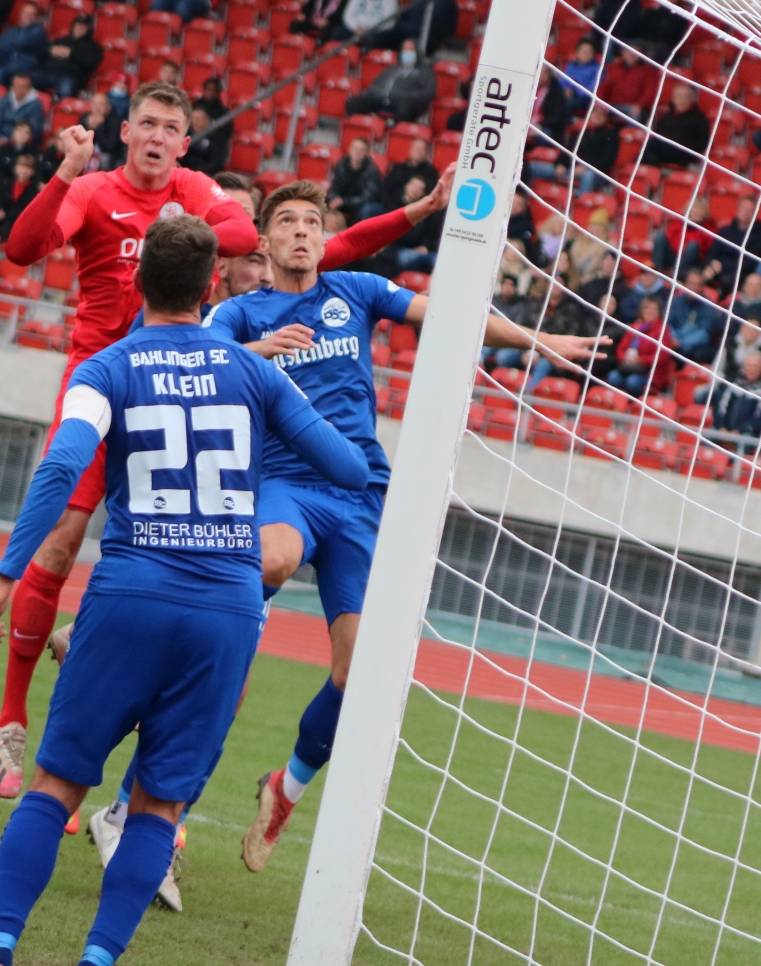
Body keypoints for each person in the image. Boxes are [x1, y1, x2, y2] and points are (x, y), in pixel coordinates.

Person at [0, 85, 425, 799]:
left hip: (183, 395)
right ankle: (16, 718)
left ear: (186, 143)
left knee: (188, 577)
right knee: (64, 541)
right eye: (146, 124)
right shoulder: (94, 191)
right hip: (110, 376)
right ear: (126, 132)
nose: (157, 137)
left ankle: (143, 795)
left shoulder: (206, 211)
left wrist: (421, 210)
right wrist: (65, 172)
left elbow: (297, 244)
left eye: (171, 128)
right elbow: (24, 248)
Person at [0, 214, 368, 966]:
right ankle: (97, 959)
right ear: (213, 286)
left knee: (55, 788)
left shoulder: (107, 367)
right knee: (158, 806)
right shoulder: (254, 372)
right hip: (226, 609)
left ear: (138, 281)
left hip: (130, 595)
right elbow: (347, 467)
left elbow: (62, 468)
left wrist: (5, 576)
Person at [208, 180, 605, 872]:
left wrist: (536, 339)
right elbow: (200, 357)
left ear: (323, 238)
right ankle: (174, 603)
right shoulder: (239, 313)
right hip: (288, 483)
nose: (300, 232)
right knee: (271, 560)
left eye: (311, 222)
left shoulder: (356, 291)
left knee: (357, 670)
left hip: (360, 494)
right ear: (263, 242)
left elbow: (448, 316)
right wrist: (261, 350)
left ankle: (286, 789)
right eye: (286, 222)